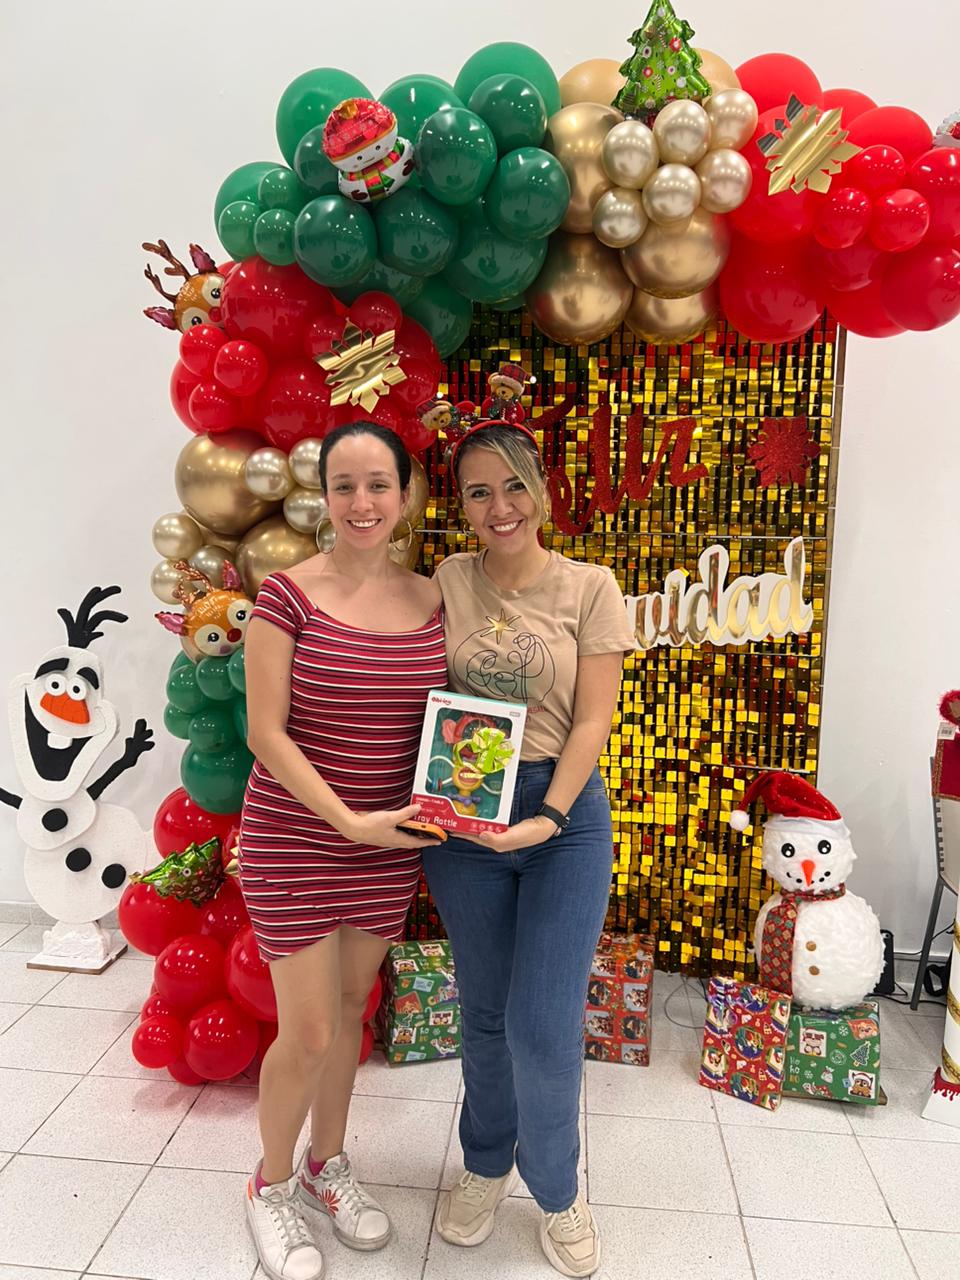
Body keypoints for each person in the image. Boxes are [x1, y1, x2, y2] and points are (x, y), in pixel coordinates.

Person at [423, 415, 635, 1278]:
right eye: (479, 492)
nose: (499, 506)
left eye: (514, 485)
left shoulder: (591, 587)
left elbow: (592, 719)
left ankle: (557, 1190)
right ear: (461, 504)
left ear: (544, 490)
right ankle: (484, 1164)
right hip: (465, 813)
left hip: (563, 818)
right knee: (483, 1013)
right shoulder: (447, 579)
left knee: (542, 1027)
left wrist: (547, 815)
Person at [238, 421, 446, 1280]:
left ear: (405, 493)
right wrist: (347, 820)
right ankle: (271, 1184)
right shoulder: (287, 595)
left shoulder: (433, 599)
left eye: (378, 484)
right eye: (344, 485)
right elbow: (265, 733)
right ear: (324, 496)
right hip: (295, 837)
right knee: (311, 1028)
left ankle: (328, 1164)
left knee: (354, 1007)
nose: (362, 502)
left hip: (386, 845)